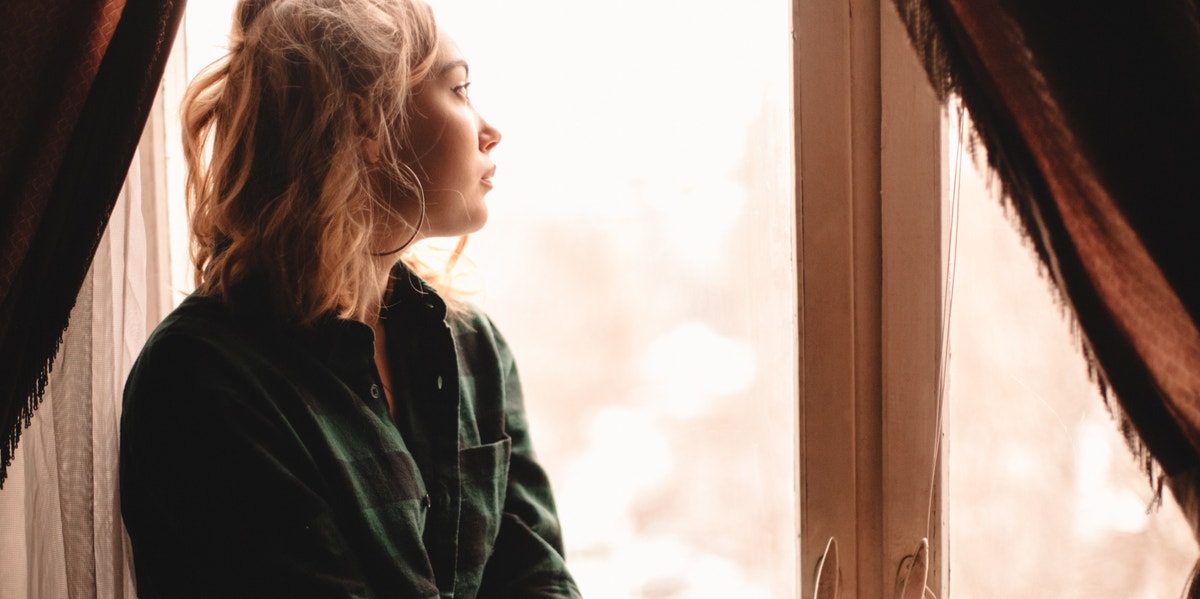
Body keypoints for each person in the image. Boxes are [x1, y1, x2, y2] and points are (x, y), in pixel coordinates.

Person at [118, 1, 581, 597]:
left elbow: (538, 579)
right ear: (367, 123)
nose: (491, 131)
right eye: (459, 89)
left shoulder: (473, 348)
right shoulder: (204, 379)